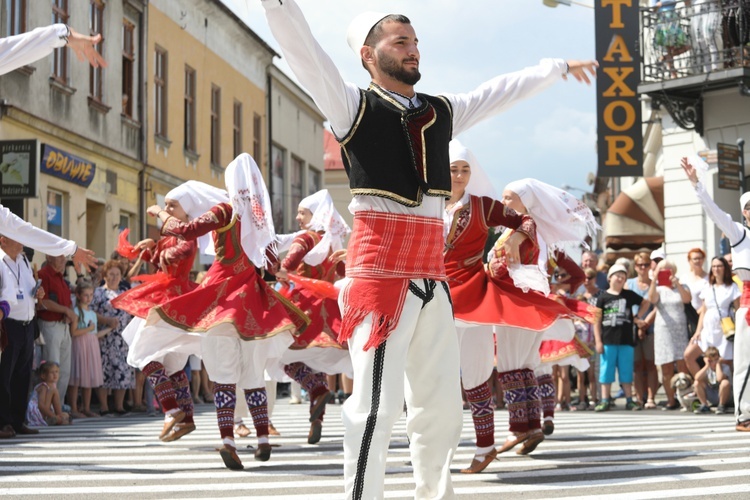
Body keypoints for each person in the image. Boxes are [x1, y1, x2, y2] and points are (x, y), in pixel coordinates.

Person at [262, 2, 597, 497]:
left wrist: (555, 69)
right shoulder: (352, 104)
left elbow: (496, 93)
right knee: (374, 406)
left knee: (440, 407)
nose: (414, 49)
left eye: (416, 41)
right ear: (368, 54)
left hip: (431, 282)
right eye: (401, 42)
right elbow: (303, 50)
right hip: (377, 280)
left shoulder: (440, 111)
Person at [146, 154, 309, 470]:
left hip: (222, 297)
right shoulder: (259, 219)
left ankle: (228, 441)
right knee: (252, 371)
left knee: (223, 374)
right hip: (254, 301)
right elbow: (271, 266)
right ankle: (262, 439)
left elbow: (188, 230)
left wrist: (158, 214)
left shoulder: (225, 210)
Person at [442, 142, 542, 472]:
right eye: (453, 168)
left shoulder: (484, 206)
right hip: (431, 298)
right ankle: (430, 448)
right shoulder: (425, 203)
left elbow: (526, 221)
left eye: (464, 169)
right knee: (428, 375)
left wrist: (515, 238)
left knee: (476, 374)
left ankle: (485, 447)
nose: (458, 175)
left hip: (472, 297)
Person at [488, 180, 599, 454]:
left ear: (526, 202)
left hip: (516, 303)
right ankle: (533, 424)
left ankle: (518, 428)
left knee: (511, 365)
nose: (504, 204)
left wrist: (486, 269)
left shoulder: (523, 228)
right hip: (533, 304)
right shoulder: (538, 233)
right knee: (527, 365)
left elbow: (506, 267)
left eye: (509, 198)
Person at [112, 183, 210, 442]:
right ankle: (186, 418)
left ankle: (171, 410)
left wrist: (160, 249)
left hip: (171, 300)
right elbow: (163, 259)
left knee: (142, 352)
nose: (166, 209)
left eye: (172, 205)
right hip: (169, 298)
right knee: (171, 361)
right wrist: (152, 247)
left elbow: (185, 250)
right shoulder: (172, 233)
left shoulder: (186, 233)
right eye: (165, 205)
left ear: (185, 210)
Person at [274, 189, 352, 444]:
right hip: (328, 307)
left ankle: (316, 388)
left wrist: (283, 269)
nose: (298, 217)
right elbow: (342, 270)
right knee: (313, 358)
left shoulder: (307, 236)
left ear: (314, 215)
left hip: (300, 305)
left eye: (302, 212)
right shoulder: (331, 241)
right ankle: (316, 413)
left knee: (277, 354)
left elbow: (293, 255)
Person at [681, 156, 750, 432]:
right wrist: (697, 183)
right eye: (749, 208)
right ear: (745, 212)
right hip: (748, 303)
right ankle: (744, 415)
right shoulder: (740, 234)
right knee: (744, 361)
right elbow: (714, 211)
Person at [0, 234, 44, 438]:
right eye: (17, 239)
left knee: (23, 376)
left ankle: (18, 421)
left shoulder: (24, 260)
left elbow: (29, 287)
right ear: (3, 240)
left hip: (27, 325)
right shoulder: (1, 262)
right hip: (8, 325)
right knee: (4, 377)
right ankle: (3, 423)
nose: (22, 243)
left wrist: (38, 292)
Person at [594, 264, 650, 412]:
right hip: (607, 340)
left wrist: (637, 316)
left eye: (623, 276)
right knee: (606, 371)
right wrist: (598, 341)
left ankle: (629, 400)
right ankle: (605, 399)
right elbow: (596, 321)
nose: (620, 278)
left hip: (626, 340)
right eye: (617, 275)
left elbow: (645, 302)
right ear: (609, 277)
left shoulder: (629, 295)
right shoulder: (602, 297)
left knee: (626, 371)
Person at [92, 260, 134, 416]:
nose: (114, 277)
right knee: (103, 370)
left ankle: (119, 406)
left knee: (122, 370)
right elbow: (91, 312)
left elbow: (130, 315)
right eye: (111, 274)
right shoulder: (98, 293)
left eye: (117, 274)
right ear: (105, 275)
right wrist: (106, 320)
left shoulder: (124, 293)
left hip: (122, 339)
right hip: (104, 337)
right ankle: (104, 406)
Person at [648, 259, 691, 410]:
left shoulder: (682, 286)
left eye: (668, 270)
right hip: (663, 330)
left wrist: (676, 284)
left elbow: (687, 299)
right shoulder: (658, 289)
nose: (666, 273)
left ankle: (684, 398)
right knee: (665, 366)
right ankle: (671, 399)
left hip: (679, 329)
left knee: (682, 364)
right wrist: (654, 280)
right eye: (662, 270)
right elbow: (652, 299)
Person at [685, 256, 740, 376]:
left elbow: (738, 309)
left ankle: (727, 389)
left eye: (719, 266)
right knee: (688, 355)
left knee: (726, 362)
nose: (716, 269)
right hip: (708, 328)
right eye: (714, 266)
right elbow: (704, 311)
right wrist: (698, 331)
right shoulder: (708, 287)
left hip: (724, 328)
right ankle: (703, 383)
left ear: (725, 268)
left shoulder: (732, 287)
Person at [68, 280, 110, 418]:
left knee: (89, 378)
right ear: (79, 295)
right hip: (80, 345)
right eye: (86, 295)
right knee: (77, 377)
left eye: (91, 295)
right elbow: (73, 332)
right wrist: (88, 328)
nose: (88, 298)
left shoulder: (92, 313)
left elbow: (95, 333)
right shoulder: (75, 312)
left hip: (91, 345)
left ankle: (86, 408)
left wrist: (109, 329)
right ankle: (74, 408)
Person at [625, 252, 659, 409]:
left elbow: (657, 306)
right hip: (633, 327)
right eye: (640, 265)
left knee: (651, 364)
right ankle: (639, 397)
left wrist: (645, 323)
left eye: (646, 264)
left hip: (651, 327)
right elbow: (625, 305)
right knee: (637, 365)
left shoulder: (654, 284)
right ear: (635, 266)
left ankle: (651, 397)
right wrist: (637, 322)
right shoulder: (629, 284)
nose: (643, 268)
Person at [26, 361, 70, 427]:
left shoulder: (51, 386)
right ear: (43, 375)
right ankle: (57, 417)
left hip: (44, 411)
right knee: (54, 391)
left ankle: (57, 418)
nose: (55, 374)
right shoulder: (43, 387)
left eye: (56, 372)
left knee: (66, 415)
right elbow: (41, 406)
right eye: (52, 372)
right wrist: (54, 415)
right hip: (37, 412)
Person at [693, 346, 732, 414]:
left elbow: (720, 378)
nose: (713, 363)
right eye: (711, 361)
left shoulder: (725, 367)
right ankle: (704, 405)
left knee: (725, 382)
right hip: (713, 394)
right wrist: (707, 365)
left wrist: (718, 364)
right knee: (697, 383)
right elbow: (697, 378)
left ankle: (721, 405)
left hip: (726, 396)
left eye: (716, 360)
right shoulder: (707, 369)